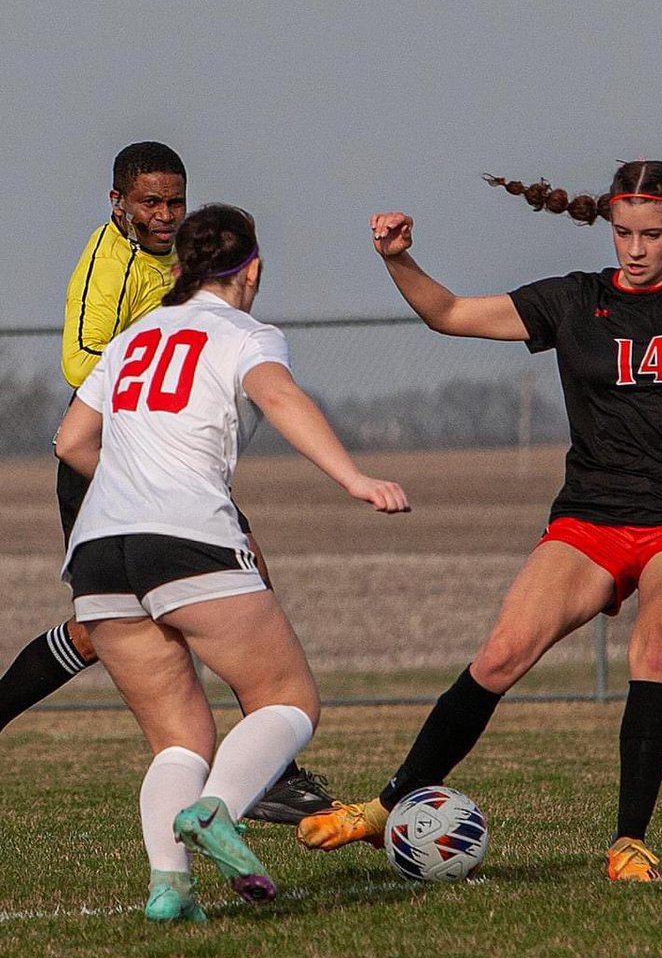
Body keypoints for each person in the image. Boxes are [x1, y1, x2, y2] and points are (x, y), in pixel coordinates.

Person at [297, 159, 662, 881]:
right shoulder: (575, 300)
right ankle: (383, 806)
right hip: (589, 516)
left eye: (651, 235)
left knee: (653, 655)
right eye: (623, 233)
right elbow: (448, 314)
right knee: (500, 655)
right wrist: (399, 260)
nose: (636, 249)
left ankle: (629, 842)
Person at [54, 203, 410, 921]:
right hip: (184, 536)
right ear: (253, 270)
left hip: (95, 551)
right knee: (288, 700)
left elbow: (71, 443)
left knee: (178, 739)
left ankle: (169, 889)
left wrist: (130, 483)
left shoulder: (129, 339)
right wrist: (354, 478)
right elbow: (279, 396)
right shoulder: (247, 333)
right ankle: (216, 811)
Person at [0, 142, 334, 824]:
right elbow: (79, 361)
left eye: (174, 202)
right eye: (149, 202)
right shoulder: (110, 266)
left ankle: (269, 772)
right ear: (117, 203)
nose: (164, 214)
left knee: (237, 582)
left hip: (165, 458)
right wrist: (153, 361)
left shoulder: (179, 257)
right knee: (104, 629)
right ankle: (266, 769)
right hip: (111, 453)